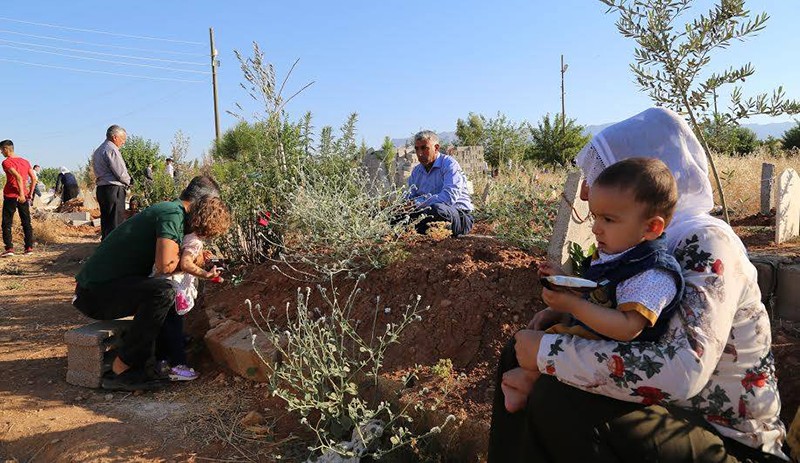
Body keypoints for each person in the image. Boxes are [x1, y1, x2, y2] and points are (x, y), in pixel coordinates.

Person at [488, 107, 789, 462]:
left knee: (560, 394)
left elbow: (683, 370)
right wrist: (561, 314)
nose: (586, 192)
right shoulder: (645, 244)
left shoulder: (706, 242)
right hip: (671, 414)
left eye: (604, 174)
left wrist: (548, 354)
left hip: (728, 441)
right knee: (520, 356)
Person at [501, 157, 685, 413]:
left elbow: (627, 328)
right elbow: (600, 293)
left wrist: (573, 306)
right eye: (595, 217)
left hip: (615, 359)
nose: (596, 229)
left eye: (608, 220)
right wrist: (564, 289)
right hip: (594, 340)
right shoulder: (620, 253)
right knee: (521, 342)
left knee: (532, 346)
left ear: (651, 227)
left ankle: (530, 380)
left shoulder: (652, 273)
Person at [73, 175, 224, 391]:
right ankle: (123, 368)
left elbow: (171, 262)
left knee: (163, 291)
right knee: (163, 291)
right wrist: (193, 265)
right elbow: (165, 266)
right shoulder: (173, 214)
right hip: (95, 295)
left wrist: (198, 260)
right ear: (202, 202)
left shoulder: (172, 212)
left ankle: (168, 354)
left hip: (104, 289)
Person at [154, 201, 230, 381]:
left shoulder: (185, 233)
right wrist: (206, 274)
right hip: (175, 288)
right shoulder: (195, 241)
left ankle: (161, 363)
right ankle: (178, 366)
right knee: (174, 326)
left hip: (161, 285)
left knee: (164, 326)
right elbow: (185, 264)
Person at [400, 130, 474, 237]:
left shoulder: (449, 164)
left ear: (436, 148)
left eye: (424, 148)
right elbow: (411, 197)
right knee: (395, 215)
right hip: (425, 213)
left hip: (458, 215)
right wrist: (404, 206)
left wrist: (417, 203)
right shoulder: (417, 171)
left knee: (437, 210)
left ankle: (420, 229)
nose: (419, 153)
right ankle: (419, 230)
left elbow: (448, 198)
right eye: (417, 149)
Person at [93, 125, 131, 240]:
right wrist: (129, 182)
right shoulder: (112, 149)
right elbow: (120, 172)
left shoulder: (99, 150)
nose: (123, 142)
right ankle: (114, 251)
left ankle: (105, 248)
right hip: (113, 189)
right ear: (115, 137)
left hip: (102, 189)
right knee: (116, 222)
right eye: (123, 139)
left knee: (106, 221)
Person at [1, 140, 36, 257]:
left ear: (6, 149)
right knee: (26, 222)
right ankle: (29, 248)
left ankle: (10, 249)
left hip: (11, 196)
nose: (1, 152)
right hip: (24, 196)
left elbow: (18, 177)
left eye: (1, 150)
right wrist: (29, 193)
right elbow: (34, 178)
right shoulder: (25, 162)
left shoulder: (6, 162)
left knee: (6, 223)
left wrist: (20, 194)